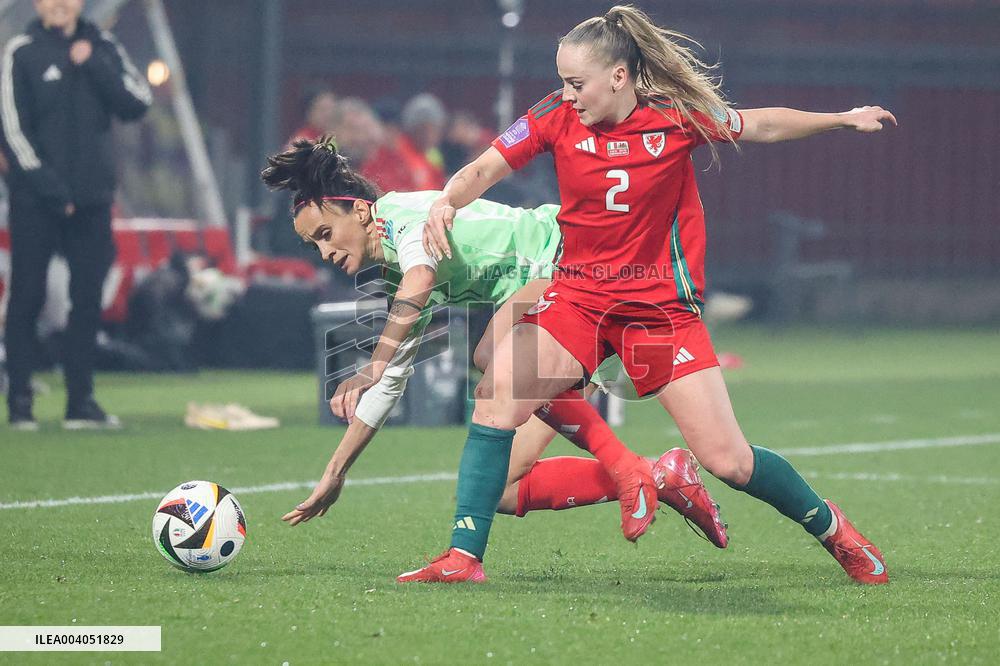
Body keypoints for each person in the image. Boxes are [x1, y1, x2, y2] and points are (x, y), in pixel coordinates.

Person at [408, 5, 897, 585]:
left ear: (618, 77)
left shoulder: (678, 117)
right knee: (496, 397)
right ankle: (463, 560)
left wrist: (839, 119)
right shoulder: (553, 116)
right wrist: (445, 201)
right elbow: (487, 166)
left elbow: (759, 124)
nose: (567, 96)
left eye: (576, 83)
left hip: (656, 313)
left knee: (729, 462)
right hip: (580, 301)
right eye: (562, 83)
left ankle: (836, 531)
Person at [260, 136, 728, 550]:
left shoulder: (401, 218)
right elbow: (393, 380)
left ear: (360, 211)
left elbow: (420, 282)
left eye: (325, 234)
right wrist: (335, 471)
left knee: (489, 355)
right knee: (499, 488)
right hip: (554, 296)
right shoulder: (392, 272)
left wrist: (373, 363)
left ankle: (627, 468)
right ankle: (664, 476)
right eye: (313, 246)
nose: (325, 252)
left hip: (574, 258)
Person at [1, 0, 151, 430]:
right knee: (26, 296)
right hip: (36, 200)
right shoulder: (21, 51)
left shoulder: (104, 45)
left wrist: (95, 66)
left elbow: (137, 102)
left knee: (87, 300)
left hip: (92, 201)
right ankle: (20, 403)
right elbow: (11, 130)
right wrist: (52, 190)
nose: (59, 4)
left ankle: (80, 402)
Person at [362, 93, 447, 192]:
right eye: (423, 129)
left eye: (434, 129)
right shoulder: (395, 150)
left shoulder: (430, 157)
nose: (429, 135)